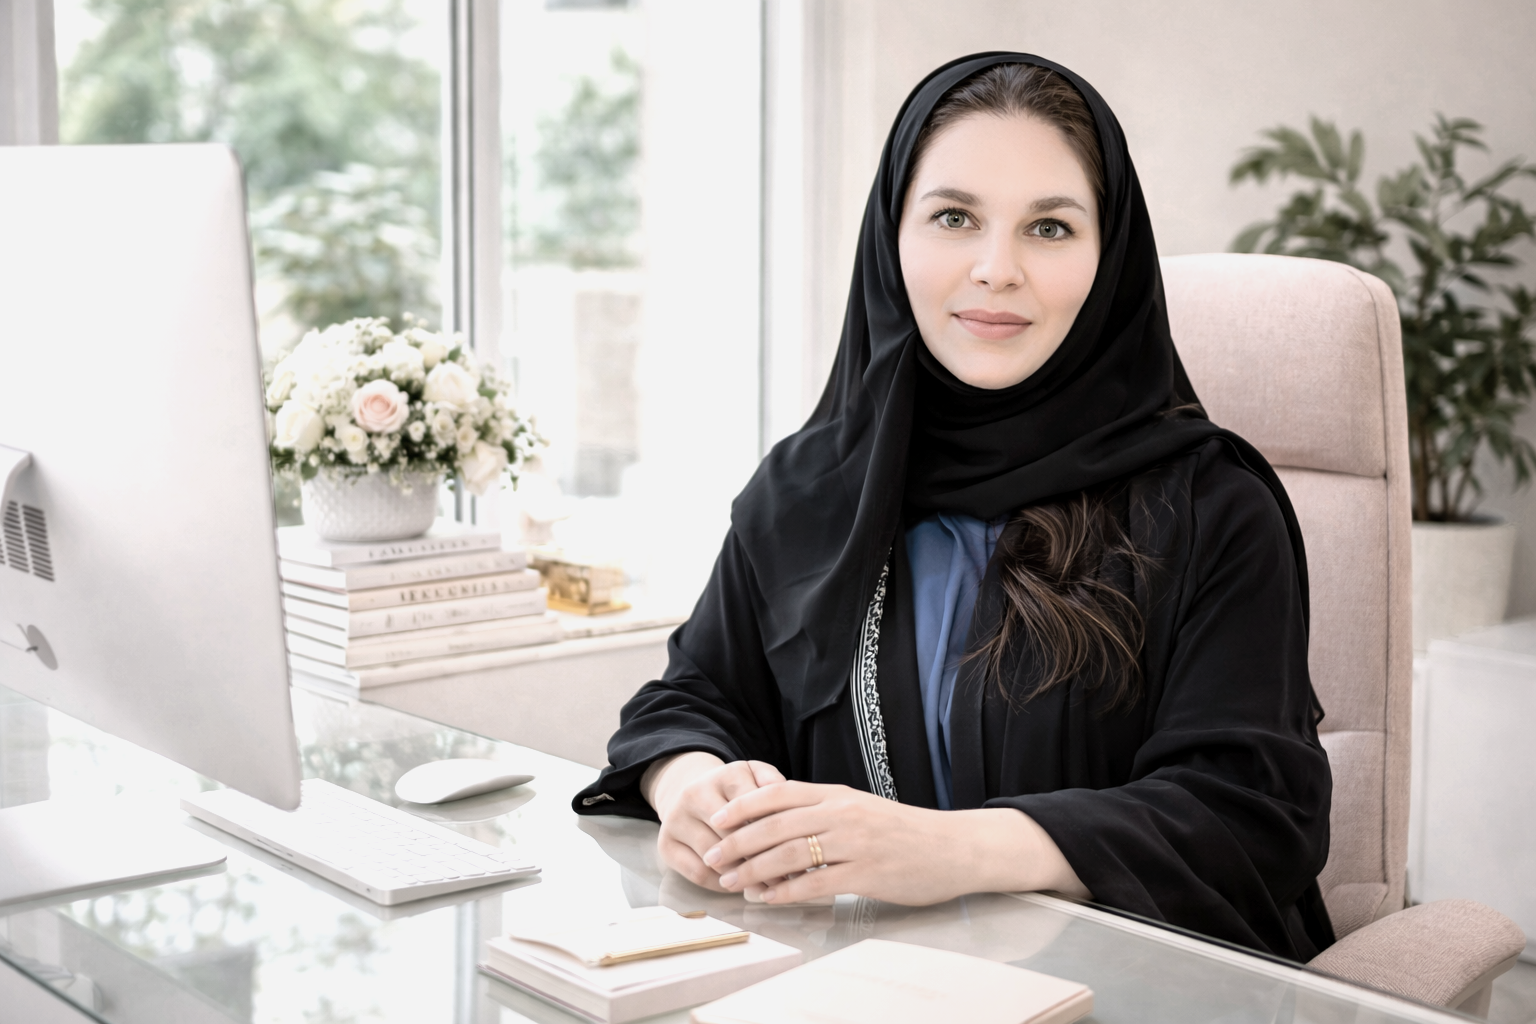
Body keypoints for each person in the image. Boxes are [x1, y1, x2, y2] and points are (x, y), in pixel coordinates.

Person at [573, 52, 1335, 962]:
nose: (995, 268)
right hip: (862, 981)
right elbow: (692, 696)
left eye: (1049, 228)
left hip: (1132, 987)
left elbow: (1247, 814)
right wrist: (688, 781)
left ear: (1111, 257)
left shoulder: (1213, 505)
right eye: (953, 217)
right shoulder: (809, 489)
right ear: (891, 240)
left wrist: (943, 851)